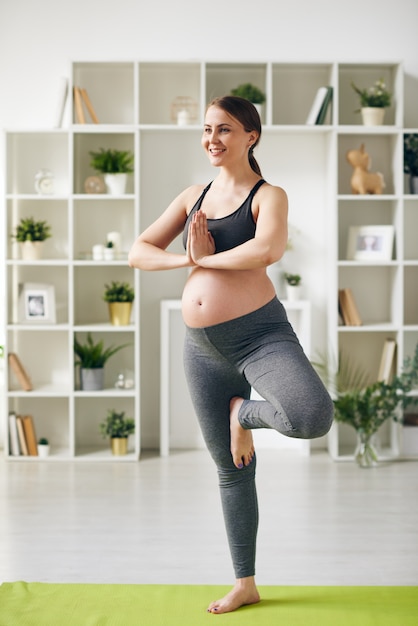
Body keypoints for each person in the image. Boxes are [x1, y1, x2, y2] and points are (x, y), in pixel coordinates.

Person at [128, 95, 334, 614]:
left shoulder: (269, 196)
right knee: (231, 468)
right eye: (206, 130)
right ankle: (245, 582)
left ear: (251, 137)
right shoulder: (193, 195)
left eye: (224, 129)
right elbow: (138, 251)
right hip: (201, 349)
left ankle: (245, 414)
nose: (212, 139)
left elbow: (267, 250)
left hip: (260, 336)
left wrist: (206, 257)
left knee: (311, 416)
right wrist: (188, 260)